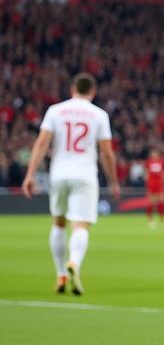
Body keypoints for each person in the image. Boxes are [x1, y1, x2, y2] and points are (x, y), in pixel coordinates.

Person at [21, 73, 120, 296]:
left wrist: (30, 175)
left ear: (72, 89)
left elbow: (41, 144)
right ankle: (74, 263)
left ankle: (60, 274)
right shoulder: (99, 115)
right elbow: (107, 152)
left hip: (59, 174)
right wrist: (113, 182)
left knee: (58, 224)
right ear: (93, 92)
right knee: (81, 225)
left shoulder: (55, 111)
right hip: (84, 174)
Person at [144, 148, 164, 228]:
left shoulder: (162, 162)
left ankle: (162, 219)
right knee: (152, 202)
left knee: (162, 201)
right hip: (152, 184)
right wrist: (147, 187)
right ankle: (150, 220)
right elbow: (147, 175)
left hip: (159, 185)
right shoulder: (149, 162)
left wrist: (163, 182)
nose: (154, 155)